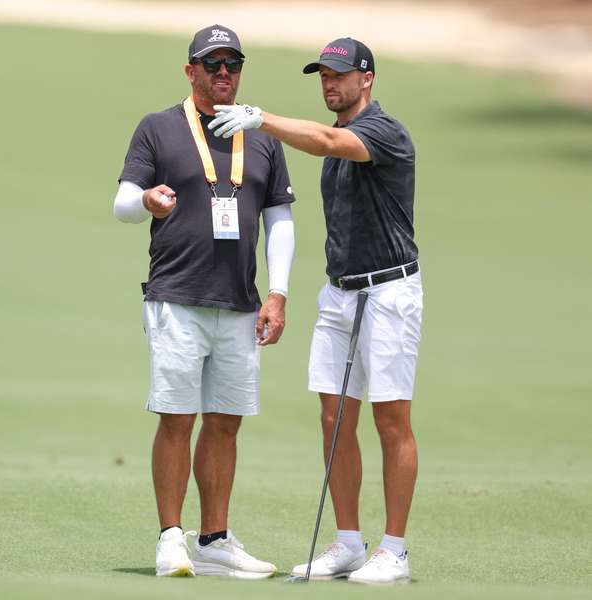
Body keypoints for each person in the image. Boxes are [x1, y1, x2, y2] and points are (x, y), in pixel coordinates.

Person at [208, 37, 422, 585]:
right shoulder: (343, 139)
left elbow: (328, 140)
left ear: (366, 79)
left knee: (389, 418)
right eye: (323, 76)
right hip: (341, 292)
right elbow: (328, 142)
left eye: (340, 76)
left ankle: (394, 551)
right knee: (334, 417)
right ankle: (350, 542)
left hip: (389, 291)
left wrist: (262, 120)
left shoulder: (384, 132)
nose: (330, 84)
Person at [113, 24, 296, 579]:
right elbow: (123, 200)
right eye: (211, 64)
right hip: (177, 296)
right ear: (190, 71)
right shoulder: (159, 128)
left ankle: (214, 539)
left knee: (226, 421)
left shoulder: (262, 138)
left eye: (232, 65)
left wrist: (279, 292)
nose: (223, 74)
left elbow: (279, 220)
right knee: (177, 418)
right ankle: (172, 537)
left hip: (239, 303)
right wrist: (147, 199)